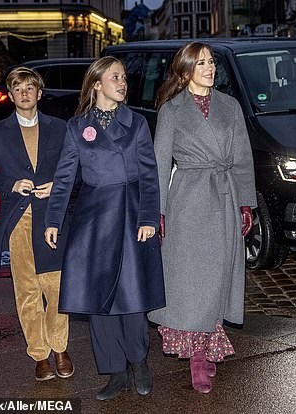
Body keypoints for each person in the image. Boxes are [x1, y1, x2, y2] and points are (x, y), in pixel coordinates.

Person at [44, 56, 165, 401]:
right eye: (115, 77)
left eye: (124, 77)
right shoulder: (76, 127)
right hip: (93, 220)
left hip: (129, 215)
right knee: (98, 299)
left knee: (132, 294)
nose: (123, 83)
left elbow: (149, 176)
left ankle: (138, 362)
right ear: (97, 84)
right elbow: (65, 177)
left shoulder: (137, 123)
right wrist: (53, 221)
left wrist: (147, 218)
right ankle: (114, 370)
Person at [147, 42, 257, 394]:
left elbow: (242, 158)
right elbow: (160, 163)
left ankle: (208, 343)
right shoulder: (172, 110)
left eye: (212, 62)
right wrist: (158, 210)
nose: (210, 68)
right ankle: (197, 356)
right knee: (191, 280)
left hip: (223, 199)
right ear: (185, 70)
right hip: (188, 203)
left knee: (219, 277)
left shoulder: (230, 106)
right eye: (202, 63)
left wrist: (245, 203)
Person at [0, 67, 73, 382]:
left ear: (39, 94)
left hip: (53, 218)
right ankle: (39, 354)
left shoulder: (60, 128)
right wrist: (10, 184)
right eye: (18, 89)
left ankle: (59, 347)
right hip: (19, 220)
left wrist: (59, 185)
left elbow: (76, 168)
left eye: (30, 88)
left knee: (56, 288)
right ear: (11, 96)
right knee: (27, 290)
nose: (24, 93)